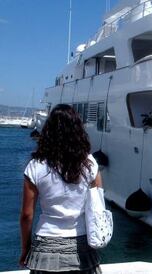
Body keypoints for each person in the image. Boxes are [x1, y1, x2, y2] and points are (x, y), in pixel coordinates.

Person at [19, 104, 102, 273]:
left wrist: (26, 248)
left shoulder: (36, 166)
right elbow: (98, 207)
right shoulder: (90, 164)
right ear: (78, 131)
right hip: (82, 247)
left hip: (45, 246)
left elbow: (27, 215)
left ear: (48, 131)